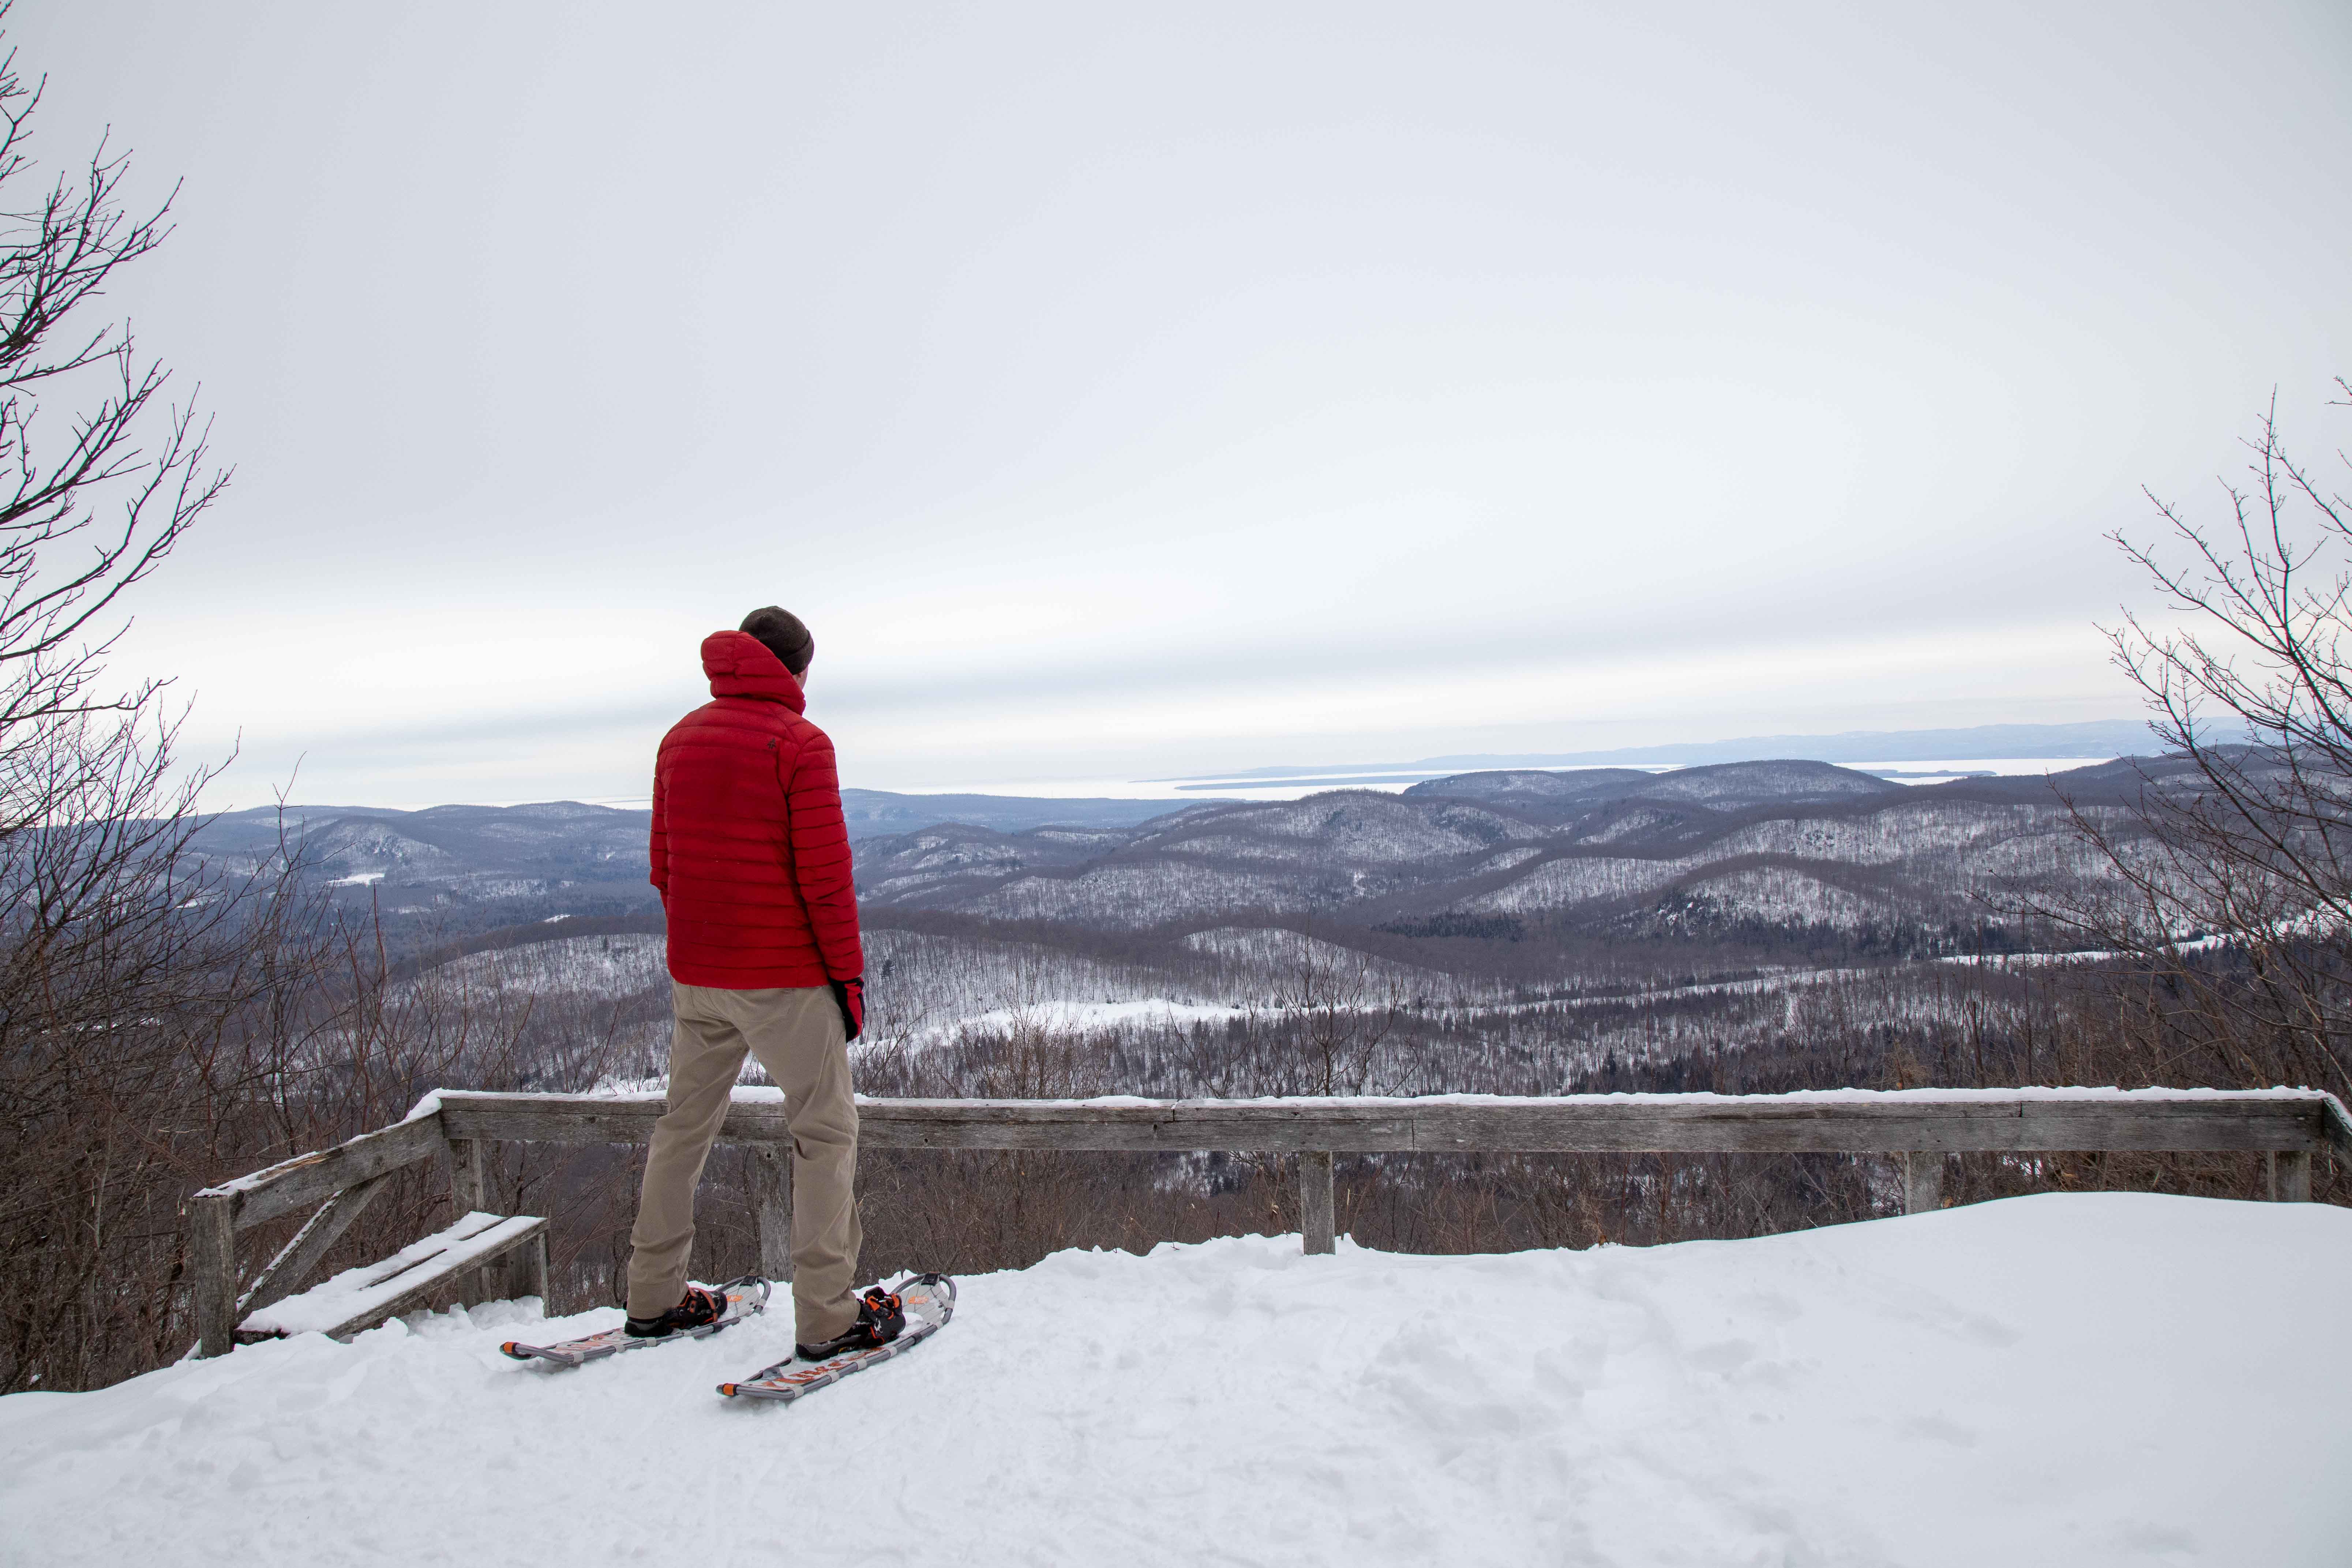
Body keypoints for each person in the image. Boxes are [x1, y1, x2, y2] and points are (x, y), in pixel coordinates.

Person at [622, 605, 903, 1360]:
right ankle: (825, 1317)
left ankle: (651, 1296)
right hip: (782, 976)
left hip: (696, 977)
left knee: (681, 1128)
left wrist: (705, 943)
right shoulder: (799, 744)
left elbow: (664, 868)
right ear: (796, 669)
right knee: (825, 1133)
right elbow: (825, 880)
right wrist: (845, 981)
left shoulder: (678, 739)